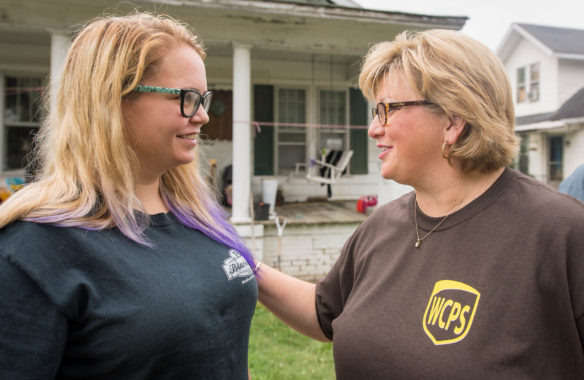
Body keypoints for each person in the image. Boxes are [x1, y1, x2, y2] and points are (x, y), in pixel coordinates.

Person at [257, 29, 584, 379]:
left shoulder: (561, 231)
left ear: (453, 120)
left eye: (386, 110)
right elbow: (325, 313)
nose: (372, 129)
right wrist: (240, 263)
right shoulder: (380, 226)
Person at [0, 13, 258, 379]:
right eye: (186, 98)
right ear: (112, 100)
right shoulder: (32, 251)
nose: (201, 115)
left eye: (203, 98)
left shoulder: (200, 218)